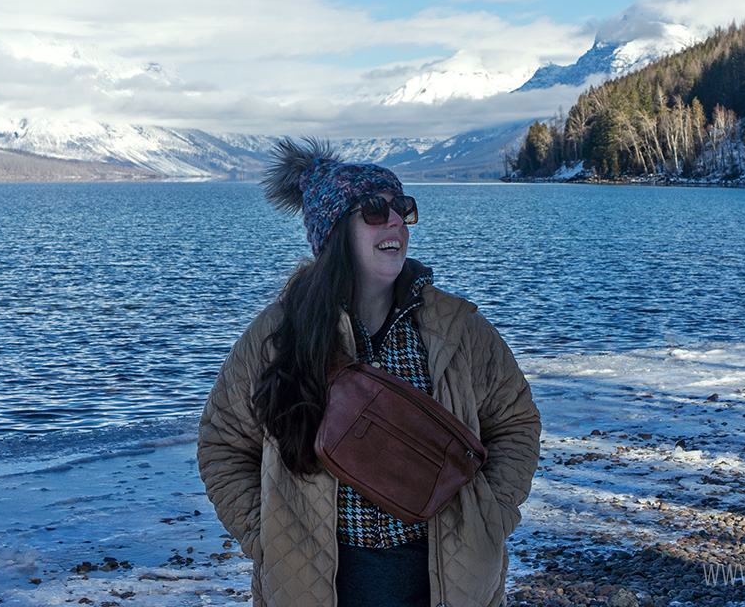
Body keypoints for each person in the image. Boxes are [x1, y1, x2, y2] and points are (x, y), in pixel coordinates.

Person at [197, 138, 541, 607]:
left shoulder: (458, 329)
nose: (396, 220)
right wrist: (269, 538)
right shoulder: (278, 334)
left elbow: (515, 423)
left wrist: (489, 518)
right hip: (317, 589)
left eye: (402, 208)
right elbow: (222, 443)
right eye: (375, 211)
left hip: (447, 584)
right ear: (335, 232)